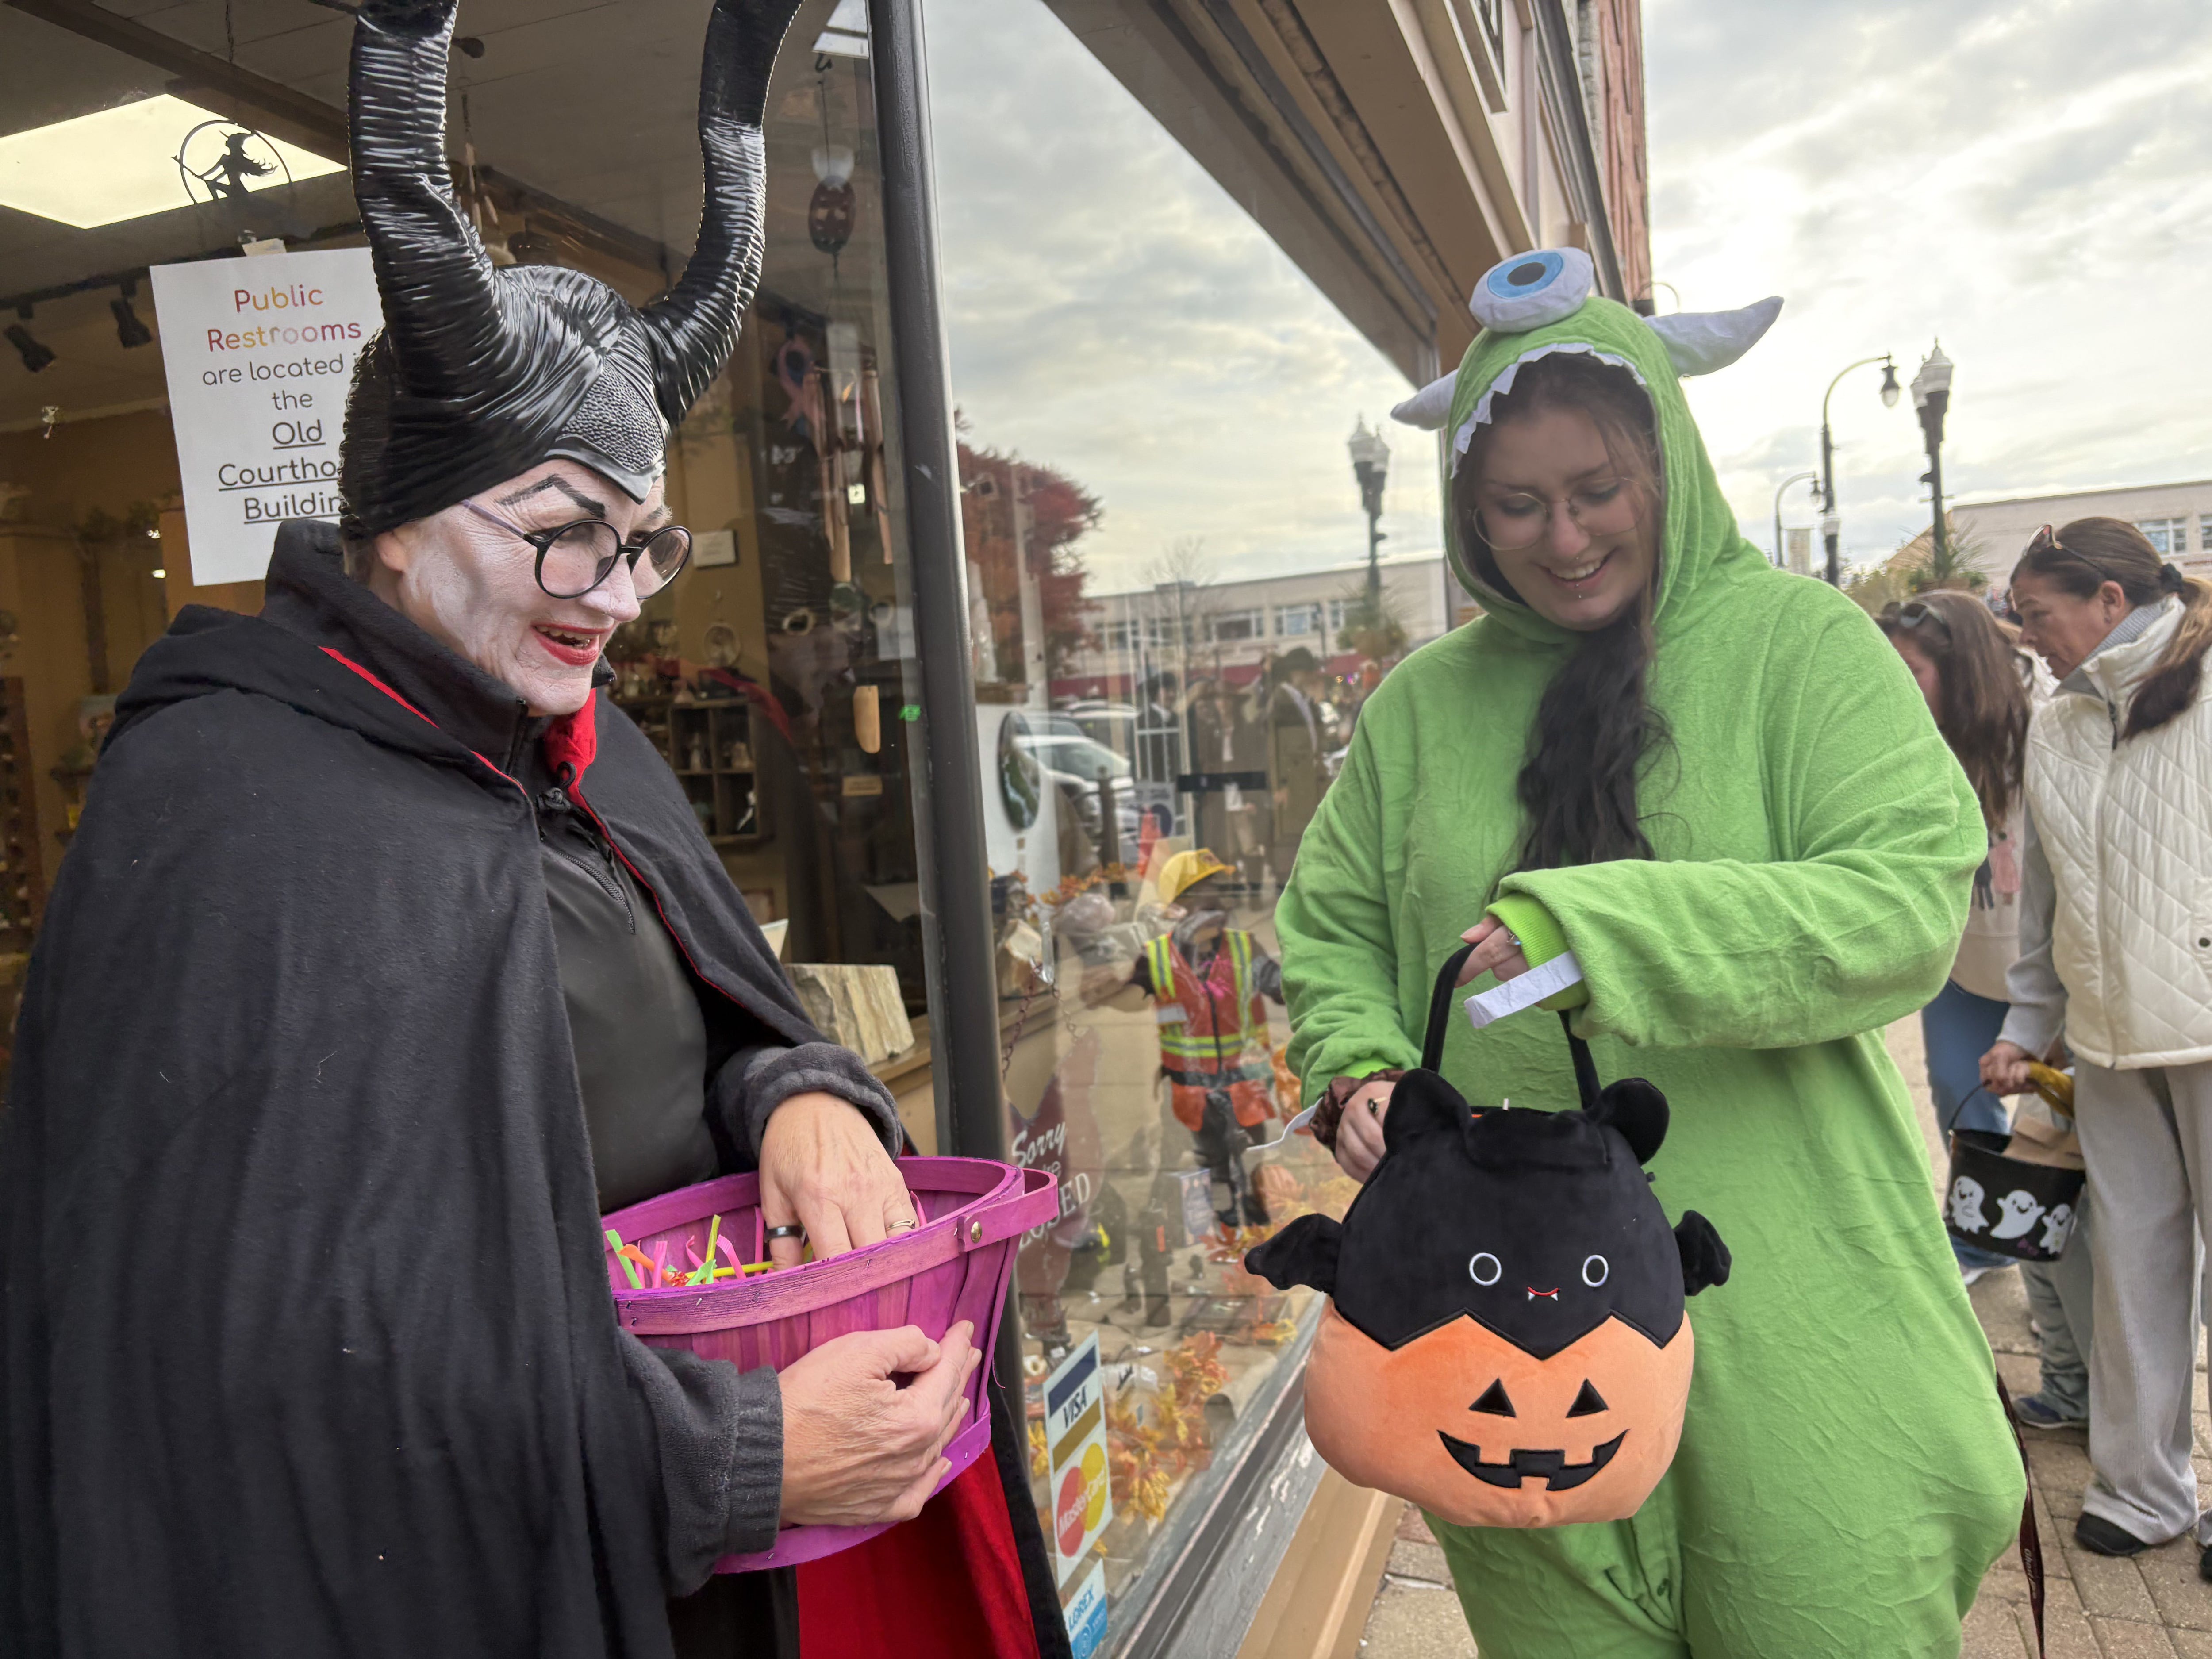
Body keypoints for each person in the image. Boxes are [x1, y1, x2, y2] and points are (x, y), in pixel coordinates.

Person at [0, 4, 1063, 1656]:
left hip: (699, 1575)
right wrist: (733, 1456)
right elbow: (271, 1378)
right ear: (400, 523)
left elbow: (694, 1013)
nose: (621, 602)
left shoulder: (571, 742)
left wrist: (793, 1091)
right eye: (569, 536)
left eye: (643, 543)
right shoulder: (230, 819)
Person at [1278, 251, 2020, 1656]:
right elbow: (1329, 929)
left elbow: (1903, 898)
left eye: (1594, 491)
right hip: (1499, 1340)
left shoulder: (1800, 649)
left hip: (1797, 1310)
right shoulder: (1418, 708)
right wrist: (1358, 1065)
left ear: (1666, 463)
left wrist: (1599, 929)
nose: (1560, 538)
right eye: (1516, 504)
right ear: (1466, 511)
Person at [1977, 519, 2212, 1572]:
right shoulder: (2056, 722)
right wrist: (2028, 1024)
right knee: (2129, 1268)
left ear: (2110, 599)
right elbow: (2050, 902)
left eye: (2037, 614)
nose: (2029, 637)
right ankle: (2142, 1487)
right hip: (2110, 1042)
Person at [1879, 591, 2093, 1427]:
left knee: (2056, 1162)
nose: (1896, 686)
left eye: (1911, 672)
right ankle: (1979, 1241)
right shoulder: (1911, 744)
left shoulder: (2045, 731)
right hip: (1964, 970)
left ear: (1959, 671)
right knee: (1959, 1101)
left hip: (2048, 982)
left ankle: (2077, 1365)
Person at [1086, 849, 1286, 1237]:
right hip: (1193, 1093)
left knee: (1252, 1160)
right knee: (1211, 1165)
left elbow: (1281, 989)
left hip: (1246, 1086)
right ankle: (1225, 1232)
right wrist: (1104, 985)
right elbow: (1122, 1000)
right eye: (1201, 892)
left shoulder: (1245, 949)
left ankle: (1257, 1227)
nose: (1214, 899)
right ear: (1177, 907)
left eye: (1216, 889)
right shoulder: (1158, 957)